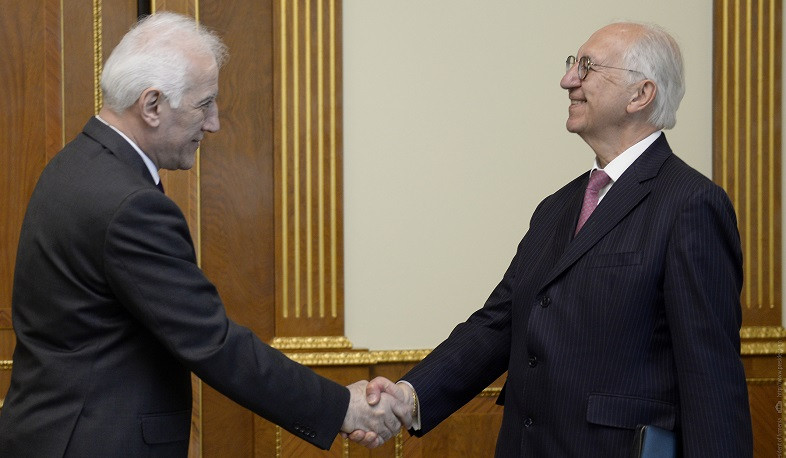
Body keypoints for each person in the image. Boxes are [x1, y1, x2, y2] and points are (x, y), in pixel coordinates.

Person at [0, 12, 406, 456]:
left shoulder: (74, 165)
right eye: (204, 104)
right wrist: (341, 407)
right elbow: (212, 342)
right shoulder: (130, 205)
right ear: (151, 105)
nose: (213, 123)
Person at [361, 22, 753, 456]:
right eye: (572, 65)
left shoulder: (691, 204)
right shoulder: (556, 207)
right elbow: (500, 322)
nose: (568, 80)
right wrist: (408, 397)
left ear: (640, 95)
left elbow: (712, 383)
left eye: (587, 67)